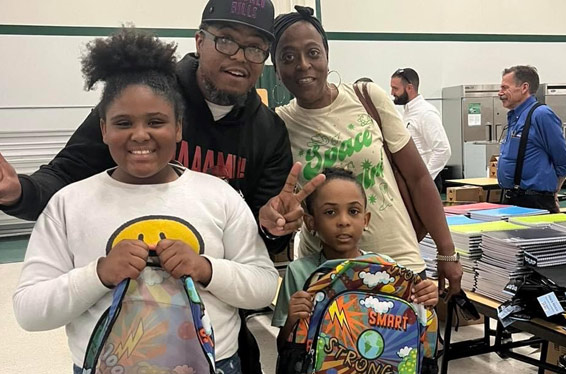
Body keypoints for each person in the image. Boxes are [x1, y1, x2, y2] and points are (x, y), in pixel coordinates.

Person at [12, 28, 278, 374]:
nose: (140, 134)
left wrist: (205, 268)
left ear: (179, 128)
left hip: (215, 365)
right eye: (123, 123)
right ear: (103, 128)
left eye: (156, 122)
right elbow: (29, 310)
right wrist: (99, 274)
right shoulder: (69, 204)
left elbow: (263, 285)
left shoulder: (218, 196)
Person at [0, 0, 297, 255]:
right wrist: (19, 192)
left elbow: (259, 242)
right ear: (200, 41)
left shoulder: (269, 132)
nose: (239, 56)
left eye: (255, 48)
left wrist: (273, 228)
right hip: (123, 271)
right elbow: (67, 174)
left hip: (213, 285)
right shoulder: (143, 97)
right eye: (226, 40)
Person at [266, 5, 462, 298]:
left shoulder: (367, 97)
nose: (303, 64)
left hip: (397, 263)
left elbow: (419, 178)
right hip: (327, 273)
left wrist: (447, 253)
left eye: (313, 52)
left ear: (327, 56)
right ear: (277, 71)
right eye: (288, 57)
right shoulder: (278, 124)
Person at [271, 167, 439, 350]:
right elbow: (283, 348)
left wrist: (426, 295)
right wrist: (292, 320)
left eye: (353, 211)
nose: (344, 221)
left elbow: (413, 332)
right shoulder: (299, 272)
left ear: (365, 220)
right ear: (311, 222)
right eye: (330, 212)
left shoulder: (386, 269)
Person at [496, 65, 566, 212]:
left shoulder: (541, 115)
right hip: (512, 198)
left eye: (505, 88)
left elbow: (563, 160)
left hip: (535, 202)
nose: (500, 93)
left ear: (524, 87)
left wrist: (553, 193)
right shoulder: (515, 117)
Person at [390, 68, 451, 193]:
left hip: (425, 183)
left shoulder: (426, 113)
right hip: (412, 181)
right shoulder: (406, 112)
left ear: (409, 88)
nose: (392, 92)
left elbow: (443, 150)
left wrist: (424, 179)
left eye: (395, 89)